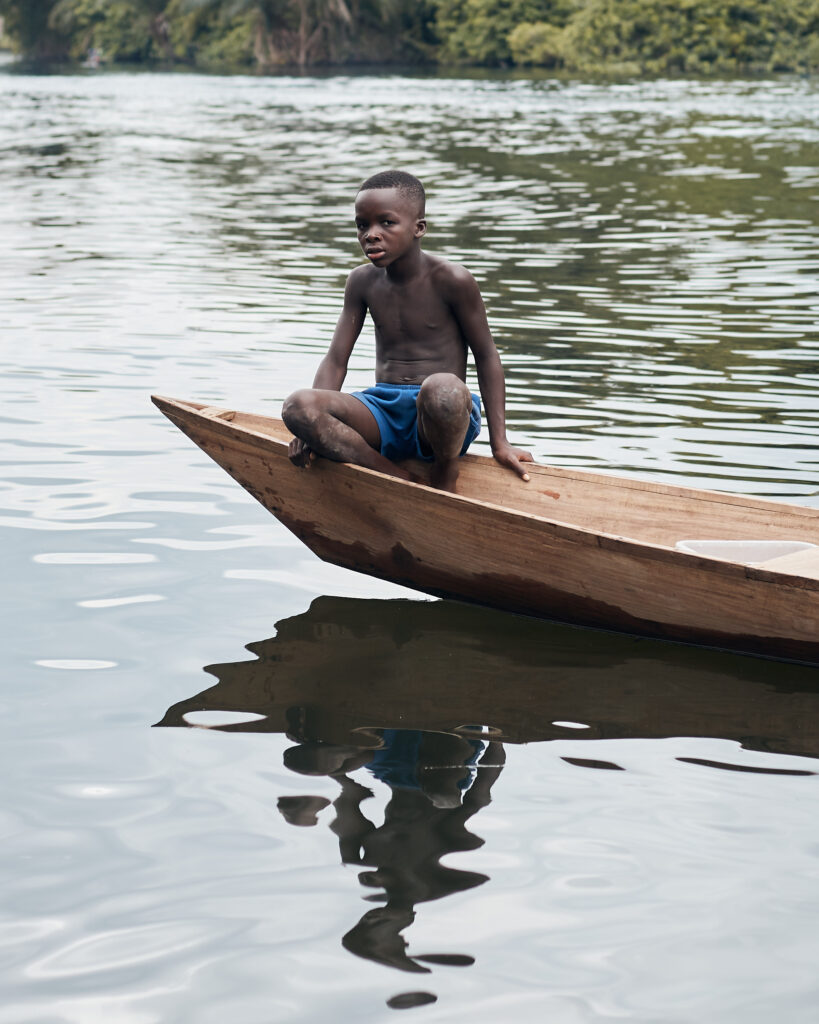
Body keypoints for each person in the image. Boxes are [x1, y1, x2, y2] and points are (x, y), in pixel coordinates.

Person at [282, 170, 533, 492]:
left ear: (418, 228)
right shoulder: (361, 282)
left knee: (441, 387)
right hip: (383, 411)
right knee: (298, 405)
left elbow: (487, 356)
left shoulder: (452, 280)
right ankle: (393, 476)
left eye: (386, 223)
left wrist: (501, 442)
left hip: (443, 416)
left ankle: (445, 470)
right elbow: (335, 359)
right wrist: (308, 431)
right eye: (363, 225)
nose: (371, 234)